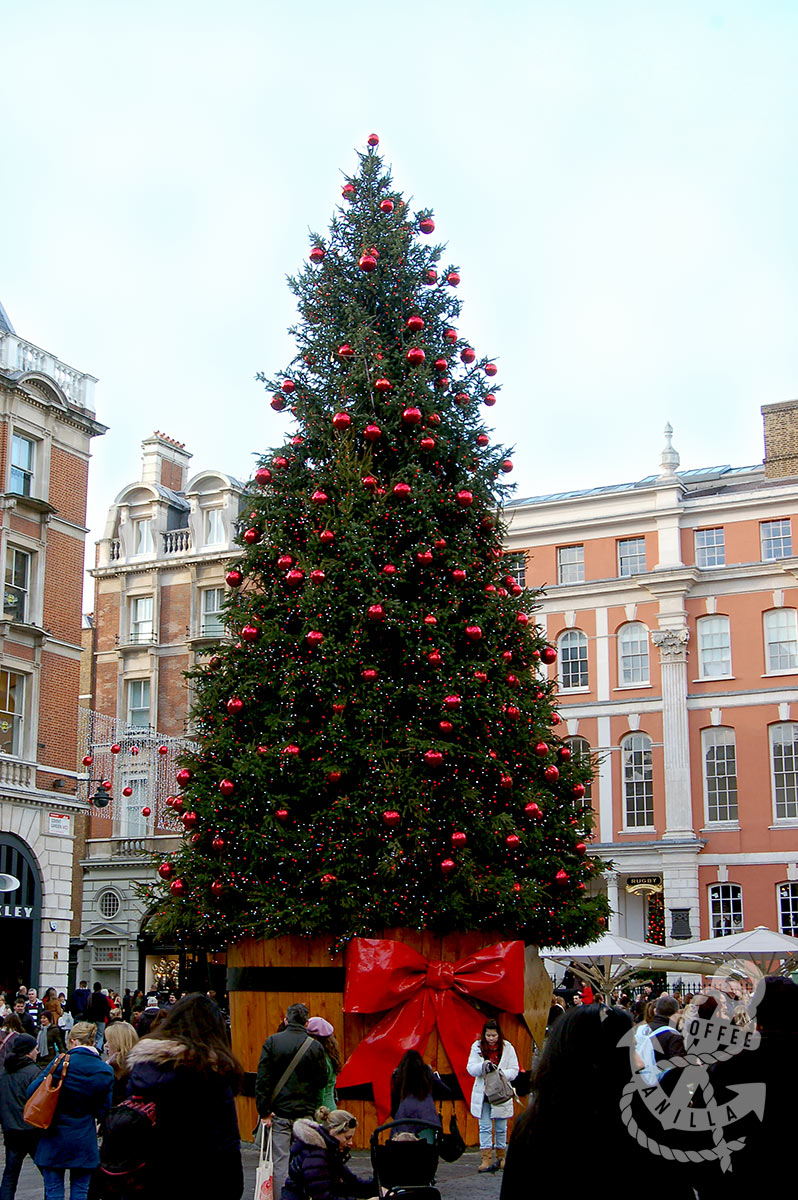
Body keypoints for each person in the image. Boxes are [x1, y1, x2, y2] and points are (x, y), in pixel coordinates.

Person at [124, 992, 243, 1198]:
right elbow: (226, 1143)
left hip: (145, 1178)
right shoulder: (211, 1073)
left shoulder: (142, 1068)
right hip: (200, 1180)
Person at [26, 1020, 114, 1200]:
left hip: (54, 1135)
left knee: (54, 1191)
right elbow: (105, 1109)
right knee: (80, 1191)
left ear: (73, 1041)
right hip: (84, 1136)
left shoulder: (60, 1063)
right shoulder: (104, 1070)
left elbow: (32, 1091)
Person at [255, 1001, 328, 1200]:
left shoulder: (272, 1042)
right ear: (306, 1023)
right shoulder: (315, 1047)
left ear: (286, 1020)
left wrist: (264, 1110)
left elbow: (262, 1079)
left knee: (281, 1161)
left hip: (279, 1112)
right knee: (305, 1159)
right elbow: (322, 1079)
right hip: (305, 1112)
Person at [282, 1106, 375, 1200]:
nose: (350, 1142)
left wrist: (375, 1187)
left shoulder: (329, 1151)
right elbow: (322, 1197)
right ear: (334, 1132)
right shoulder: (316, 1156)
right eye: (347, 1138)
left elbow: (351, 1182)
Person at [467, 1018, 519, 1173]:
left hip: (500, 1093)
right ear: (484, 1035)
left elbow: (514, 1069)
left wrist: (500, 1074)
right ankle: (486, 1158)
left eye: (494, 1036)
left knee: (501, 1127)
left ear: (499, 1035)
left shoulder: (508, 1048)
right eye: (488, 1035)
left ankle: (501, 1157)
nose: (491, 1039)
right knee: (484, 1126)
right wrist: (483, 1066)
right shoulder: (477, 1047)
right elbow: (470, 1068)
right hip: (484, 1094)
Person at [0, 1033, 41, 1199]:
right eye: (36, 1049)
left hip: (11, 1129)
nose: (37, 1052)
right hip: (32, 1130)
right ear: (29, 1051)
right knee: (49, 1173)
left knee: (10, 1173)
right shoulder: (34, 1073)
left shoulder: (4, 1072)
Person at [389, 1050, 445, 1142]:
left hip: (404, 1119)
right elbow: (445, 1090)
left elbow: (394, 1102)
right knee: (428, 1151)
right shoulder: (427, 1073)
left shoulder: (398, 1075)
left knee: (401, 1151)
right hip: (428, 1119)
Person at [306, 1016, 342, 1110]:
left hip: (321, 1112)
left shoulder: (320, 1060)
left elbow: (320, 1092)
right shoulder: (331, 1056)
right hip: (331, 1106)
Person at [103, 1020, 138, 1104]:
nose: (106, 1045)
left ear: (119, 1043)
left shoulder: (114, 1071)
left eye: (109, 1041)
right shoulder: (139, 1067)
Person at [86, 984, 110, 1051]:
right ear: (100, 988)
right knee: (100, 1033)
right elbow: (106, 1008)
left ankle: (91, 1045)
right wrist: (108, 1018)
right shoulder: (103, 997)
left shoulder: (90, 996)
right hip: (101, 1018)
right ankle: (98, 1047)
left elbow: (87, 1007)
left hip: (91, 1018)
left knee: (91, 1033)